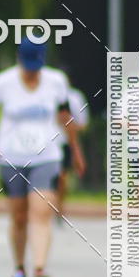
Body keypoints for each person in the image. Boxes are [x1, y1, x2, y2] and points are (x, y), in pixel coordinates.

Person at [0, 37, 85, 277]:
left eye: (36, 66)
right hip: (12, 158)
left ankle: (40, 270)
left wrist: (76, 150)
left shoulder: (56, 81)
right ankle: (20, 268)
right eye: (28, 66)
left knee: (41, 211)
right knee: (19, 217)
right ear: (19, 60)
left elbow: (65, 116)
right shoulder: (4, 82)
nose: (32, 72)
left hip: (47, 156)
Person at [55, 82, 89, 219]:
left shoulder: (74, 98)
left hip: (63, 142)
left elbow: (82, 124)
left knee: (62, 177)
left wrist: (68, 126)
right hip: (42, 143)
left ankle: (59, 208)